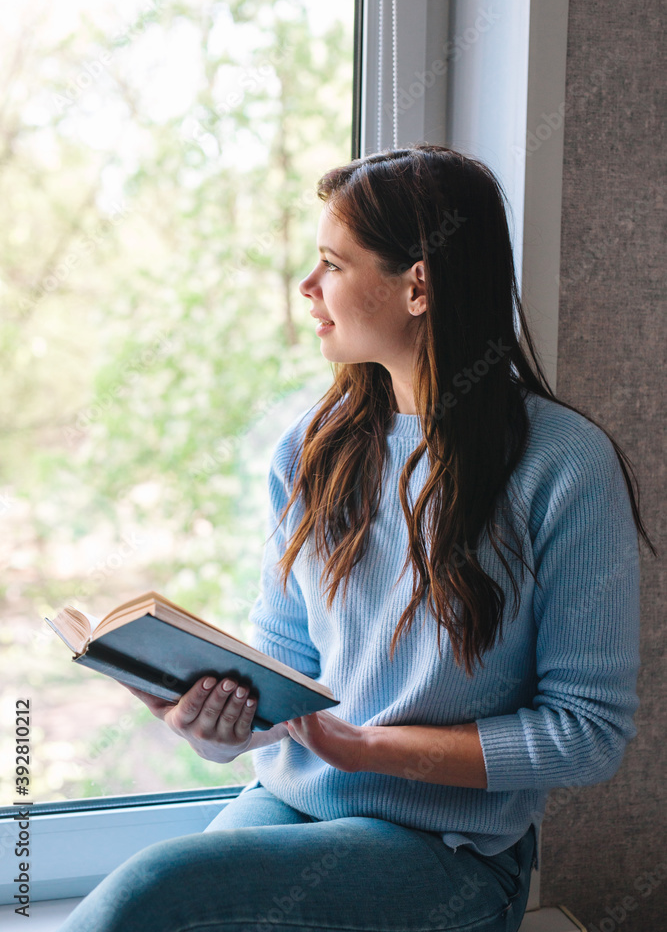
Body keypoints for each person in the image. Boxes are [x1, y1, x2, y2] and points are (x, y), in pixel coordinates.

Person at [58, 144, 654, 932]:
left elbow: (585, 734)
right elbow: (288, 678)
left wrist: (366, 750)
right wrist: (215, 725)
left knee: (155, 888)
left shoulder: (562, 466)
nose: (306, 288)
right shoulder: (308, 448)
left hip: (450, 853)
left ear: (417, 285)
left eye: (332, 264)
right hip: (291, 802)